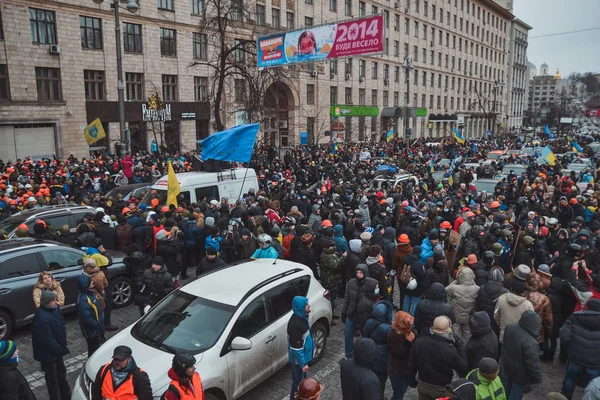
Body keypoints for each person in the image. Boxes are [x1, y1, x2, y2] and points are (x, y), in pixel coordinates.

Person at [408, 316, 469, 400]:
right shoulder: (449, 350)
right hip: (441, 389)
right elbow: (463, 368)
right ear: (448, 331)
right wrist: (460, 348)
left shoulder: (419, 342)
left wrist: (411, 380)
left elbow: (412, 363)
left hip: (423, 384)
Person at [31, 291, 71, 400]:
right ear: (47, 302)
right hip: (48, 354)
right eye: (53, 300)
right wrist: (59, 349)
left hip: (58, 350)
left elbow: (61, 322)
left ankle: (66, 396)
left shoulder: (55, 309)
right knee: (52, 379)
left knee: (61, 374)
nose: (56, 302)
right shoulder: (41, 318)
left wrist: (62, 342)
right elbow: (46, 340)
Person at [559, 298, 600, 399]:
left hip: (575, 356)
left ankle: (565, 397)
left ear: (587, 306)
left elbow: (564, 335)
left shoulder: (575, 317)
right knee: (593, 384)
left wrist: (569, 346)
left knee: (569, 379)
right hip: (595, 362)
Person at [502, 310, 542, 400]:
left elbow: (505, 343)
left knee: (507, 387)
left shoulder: (510, 327)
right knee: (516, 393)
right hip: (521, 374)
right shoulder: (531, 342)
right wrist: (538, 378)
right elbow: (533, 363)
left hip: (508, 365)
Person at [341, 264, 378, 359]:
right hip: (352, 313)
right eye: (357, 272)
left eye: (361, 273)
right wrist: (344, 312)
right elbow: (347, 298)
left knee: (365, 337)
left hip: (364, 315)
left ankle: (363, 357)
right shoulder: (351, 283)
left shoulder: (371, 284)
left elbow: (375, 299)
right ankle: (349, 356)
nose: (359, 274)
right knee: (348, 336)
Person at [363, 300, 394, 398]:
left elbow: (365, 337)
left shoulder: (368, 323)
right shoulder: (388, 329)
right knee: (380, 382)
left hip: (370, 355)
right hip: (382, 360)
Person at [287, 296, 313, 400]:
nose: (309, 306)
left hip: (301, 361)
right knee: (297, 383)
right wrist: (303, 364)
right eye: (307, 305)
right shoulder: (296, 324)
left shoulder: (301, 318)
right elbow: (296, 348)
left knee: (302, 382)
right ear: (301, 307)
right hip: (298, 362)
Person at [446, 267, 480, 344]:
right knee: (467, 333)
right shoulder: (477, 289)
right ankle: (465, 348)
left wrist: (456, 280)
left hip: (456, 316)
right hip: (469, 316)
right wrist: (472, 282)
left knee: (455, 331)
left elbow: (446, 289)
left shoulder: (453, 288)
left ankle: (456, 346)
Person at [387, 311, 415, 400]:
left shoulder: (410, 331)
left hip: (407, 369)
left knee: (402, 391)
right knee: (398, 394)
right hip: (397, 371)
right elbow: (399, 352)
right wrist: (408, 342)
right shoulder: (393, 335)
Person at [76, 274, 105, 357]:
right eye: (91, 282)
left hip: (96, 327)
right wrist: (97, 325)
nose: (93, 282)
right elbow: (86, 318)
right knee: (93, 348)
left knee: (97, 346)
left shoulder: (90, 293)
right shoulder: (83, 300)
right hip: (92, 330)